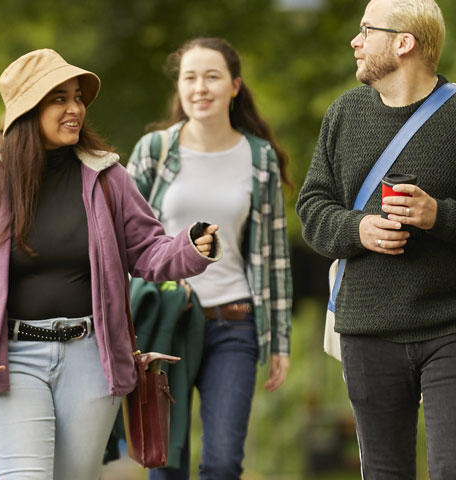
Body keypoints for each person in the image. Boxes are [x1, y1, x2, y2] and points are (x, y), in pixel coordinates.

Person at [0, 48, 221, 480]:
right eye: (59, 99)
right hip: (11, 361)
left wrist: (190, 247)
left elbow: (146, 249)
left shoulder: (107, 178)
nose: (75, 109)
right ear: (28, 110)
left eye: (77, 98)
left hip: (91, 358)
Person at [294, 0, 456, 477]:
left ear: (404, 43)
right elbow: (311, 210)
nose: (354, 41)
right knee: (384, 471)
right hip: (368, 326)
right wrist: (358, 229)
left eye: (366, 30)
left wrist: (438, 215)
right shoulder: (343, 114)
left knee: (454, 469)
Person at [125, 37, 294, 480]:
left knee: (222, 462)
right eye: (190, 77)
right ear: (179, 87)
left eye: (212, 76)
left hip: (232, 323)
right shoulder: (154, 151)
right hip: (167, 324)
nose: (200, 87)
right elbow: (121, 242)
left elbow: (274, 254)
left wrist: (278, 340)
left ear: (235, 86)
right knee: (166, 462)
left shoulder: (258, 157)